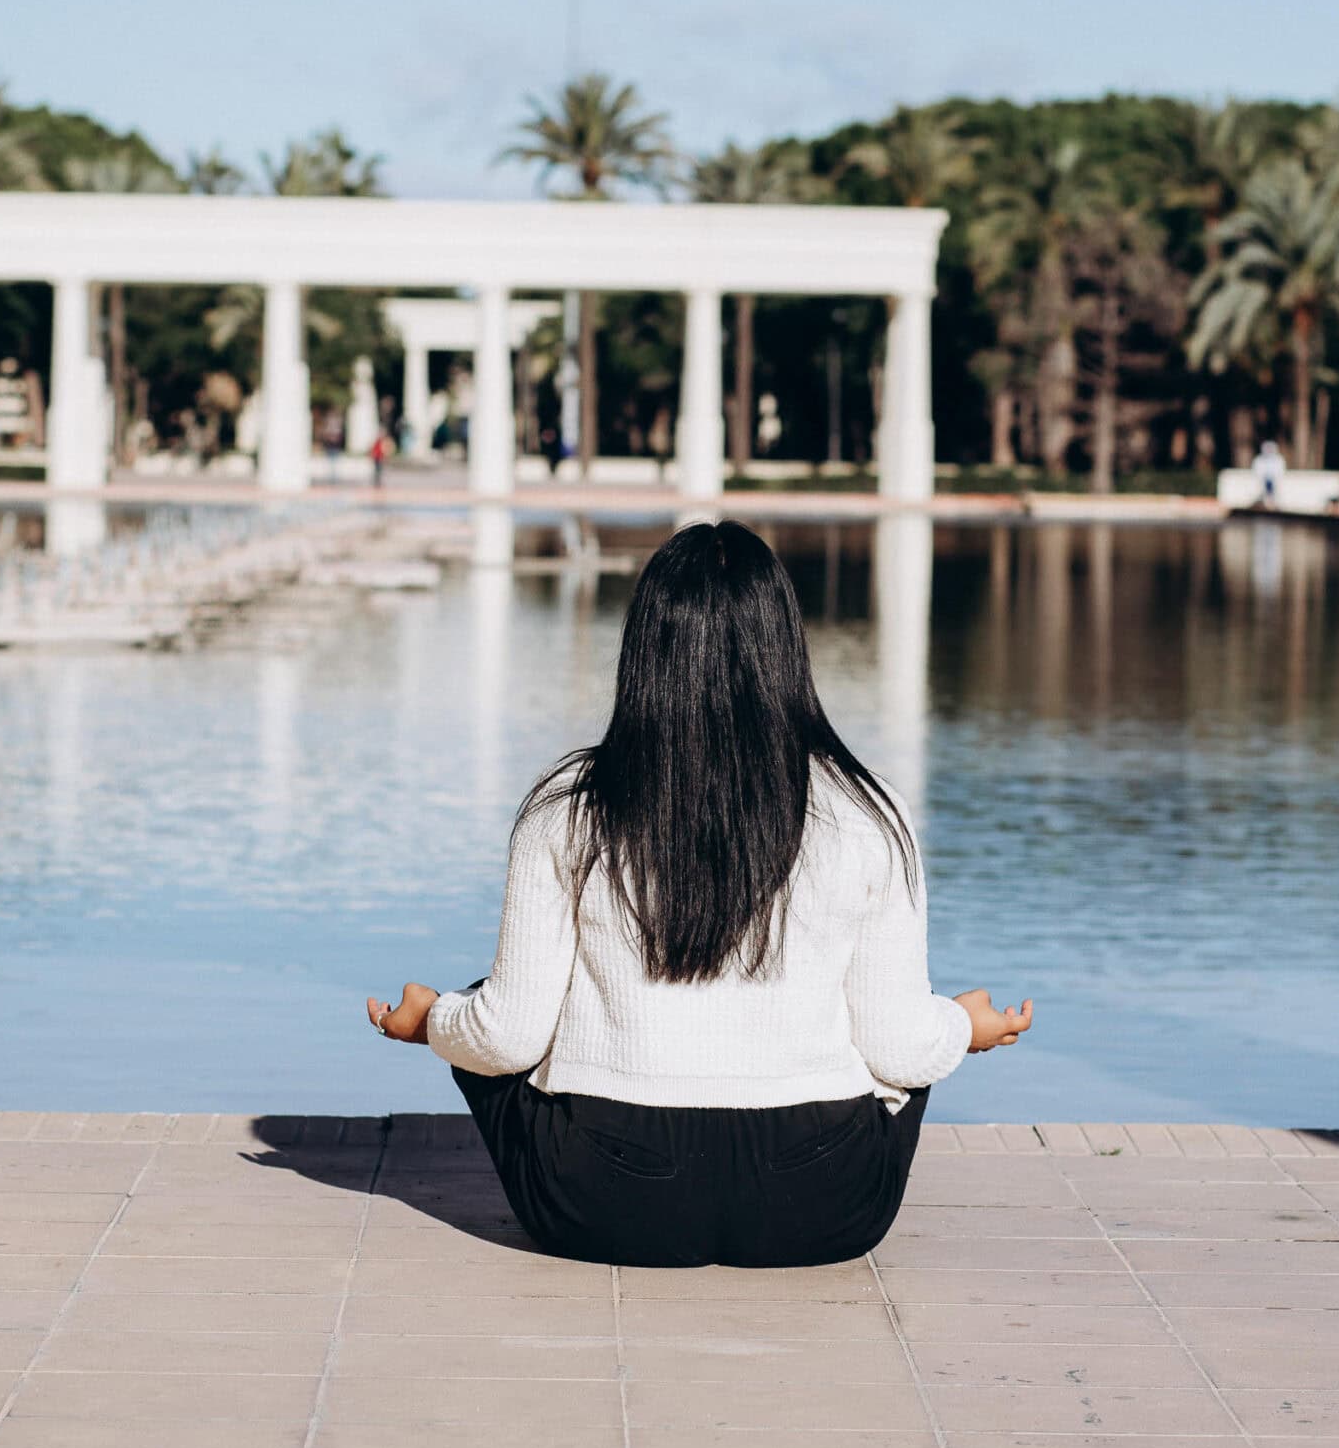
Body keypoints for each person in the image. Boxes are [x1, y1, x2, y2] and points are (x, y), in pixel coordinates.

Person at [368, 522, 1032, 1268]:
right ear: (785, 648)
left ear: (645, 651)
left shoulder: (567, 807)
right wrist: (962, 1026)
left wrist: (434, 1021)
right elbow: (898, 1046)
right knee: (915, 1050)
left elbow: (510, 1035)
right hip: (823, 1199)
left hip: (606, 1198)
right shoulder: (870, 813)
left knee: (478, 1010)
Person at [1252, 439, 1286, 509]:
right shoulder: (1259, 460)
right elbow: (1257, 472)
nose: (1268, 451)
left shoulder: (1279, 459)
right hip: (1264, 482)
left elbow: (1280, 472)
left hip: (1274, 482)